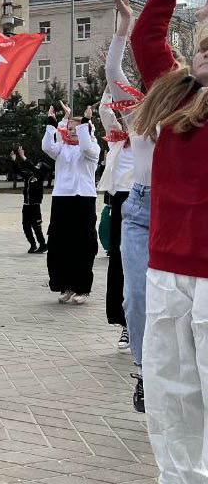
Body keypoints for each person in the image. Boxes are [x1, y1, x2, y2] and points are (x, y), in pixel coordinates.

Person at [129, 0, 208, 484]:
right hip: (167, 272)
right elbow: (145, 35)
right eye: (204, 46)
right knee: (171, 394)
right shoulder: (175, 98)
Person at [109, 0, 158, 413]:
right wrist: (124, 28)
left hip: (182, 209)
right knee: (136, 296)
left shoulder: (193, 111)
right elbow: (112, 75)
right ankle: (144, 370)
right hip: (141, 208)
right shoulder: (140, 111)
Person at [41, 101, 101, 305]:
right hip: (62, 199)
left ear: (86, 128)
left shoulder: (92, 147)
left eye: (77, 128)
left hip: (84, 199)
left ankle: (82, 288)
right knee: (60, 243)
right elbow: (47, 146)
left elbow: (85, 147)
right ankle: (65, 285)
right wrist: (52, 122)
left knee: (83, 245)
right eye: (70, 128)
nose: (72, 131)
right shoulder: (61, 148)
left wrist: (85, 122)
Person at [99, 83, 135, 350]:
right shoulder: (117, 139)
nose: (124, 117)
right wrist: (111, 87)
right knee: (120, 263)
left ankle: (142, 324)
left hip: (146, 199)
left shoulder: (148, 135)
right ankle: (125, 325)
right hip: (121, 200)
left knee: (143, 265)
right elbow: (104, 110)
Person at [11, 146, 48, 253]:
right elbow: (18, 171)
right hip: (26, 205)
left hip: (35, 205)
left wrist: (23, 157)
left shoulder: (40, 176)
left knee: (36, 227)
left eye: (39, 166)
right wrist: (14, 160)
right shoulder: (29, 175)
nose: (36, 166)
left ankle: (43, 244)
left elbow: (32, 167)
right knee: (26, 226)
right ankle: (33, 245)